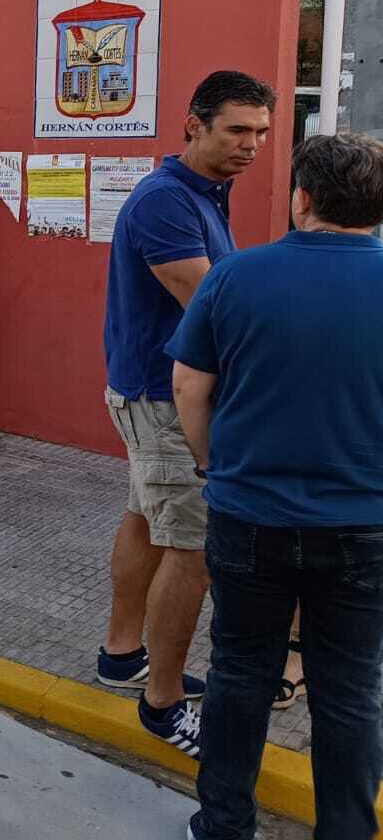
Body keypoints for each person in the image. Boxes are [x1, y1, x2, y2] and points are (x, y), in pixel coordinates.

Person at [168, 133, 383, 840]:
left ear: (303, 198)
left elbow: (189, 386)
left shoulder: (235, 277)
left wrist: (210, 465)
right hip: (365, 528)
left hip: (248, 514)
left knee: (239, 674)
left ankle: (225, 825)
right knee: (350, 692)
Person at [98, 70, 275, 759]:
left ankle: (121, 656)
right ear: (192, 126)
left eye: (259, 132)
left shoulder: (206, 190)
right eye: (237, 130)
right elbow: (216, 309)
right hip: (164, 400)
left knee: (147, 518)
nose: (252, 145)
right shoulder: (165, 203)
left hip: (152, 393)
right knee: (193, 549)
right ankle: (162, 703)